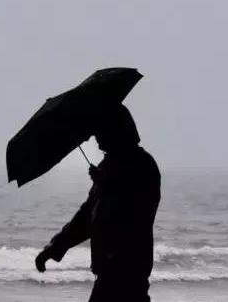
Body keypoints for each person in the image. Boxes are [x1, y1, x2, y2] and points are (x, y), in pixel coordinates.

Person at [34, 104, 161, 302]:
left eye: (100, 132)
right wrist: (55, 247)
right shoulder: (109, 166)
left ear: (115, 131)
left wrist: (108, 185)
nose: (97, 141)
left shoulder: (143, 165)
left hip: (129, 271)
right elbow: (87, 216)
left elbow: (138, 216)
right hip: (108, 271)